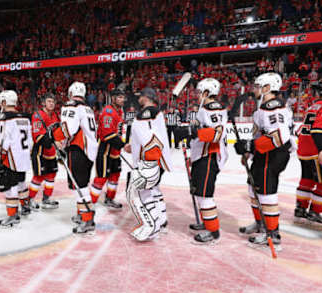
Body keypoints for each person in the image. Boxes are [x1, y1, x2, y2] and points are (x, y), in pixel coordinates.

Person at [234, 73, 293, 247]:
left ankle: (272, 233)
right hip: (263, 153)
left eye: (258, 86)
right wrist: (249, 153)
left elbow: (280, 136)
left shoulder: (273, 107)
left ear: (267, 88)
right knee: (254, 190)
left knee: (267, 194)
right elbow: (259, 134)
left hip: (273, 155)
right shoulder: (263, 108)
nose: (254, 89)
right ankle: (261, 224)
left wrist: (250, 146)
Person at [124, 87, 173, 241]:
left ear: (146, 97)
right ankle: (161, 220)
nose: (138, 98)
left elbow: (152, 140)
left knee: (142, 192)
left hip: (150, 160)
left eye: (141, 96)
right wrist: (134, 147)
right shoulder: (155, 112)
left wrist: (148, 164)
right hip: (157, 159)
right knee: (154, 190)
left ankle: (151, 226)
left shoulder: (147, 113)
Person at [184, 78, 228, 243]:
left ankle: (213, 231)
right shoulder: (205, 109)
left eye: (199, 92)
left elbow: (217, 134)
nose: (197, 95)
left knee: (205, 194)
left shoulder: (212, 109)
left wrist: (195, 132)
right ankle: (206, 222)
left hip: (209, 156)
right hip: (202, 155)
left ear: (207, 93)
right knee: (200, 192)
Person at [52, 81, 98, 234]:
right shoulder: (88, 108)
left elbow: (68, 128)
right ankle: (85, 214)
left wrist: (54, 134)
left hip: (79, 150)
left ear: (71, 93)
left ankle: (87, 220)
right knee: (82, 184)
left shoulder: (72, 105)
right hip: (89, 151)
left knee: (80, 187)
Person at [295, 81, 322, 225]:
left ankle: (300, 208)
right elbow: (320, 129)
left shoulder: (314, 106)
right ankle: (315, 212)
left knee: (307, 179)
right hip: (316, 149)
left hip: (304, 149)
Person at [0, 90, 32, 226]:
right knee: (21, 182)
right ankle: (25, 205)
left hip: (11, 157)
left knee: (10, 186)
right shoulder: (25, 117)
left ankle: (13, 215)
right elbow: (30, 140)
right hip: (24, 156)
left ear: (4, 102)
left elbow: (2, 140)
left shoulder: (3, 117)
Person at [90, 89, 126, 209]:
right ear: (113, 98)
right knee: (101, 177)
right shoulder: (108, 112)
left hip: (115, 151)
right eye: (119, 97)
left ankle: (109, 198)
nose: (122, 100)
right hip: (105, 151)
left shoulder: (120, 111)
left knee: (115, 176)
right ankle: (89, 205)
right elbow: (107, 134)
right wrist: (123, 145)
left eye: (123, 97)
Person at [28, 93, 60, 210]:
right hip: (40, 152)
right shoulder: (38, 115)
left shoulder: (55, 115)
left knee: (51, 175)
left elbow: (58, 132)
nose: (51, 103)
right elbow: (38, 136)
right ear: (43, 103)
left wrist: (61, 143)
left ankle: (46, 198)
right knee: (39, 176)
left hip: (52, 152)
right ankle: (29, 199)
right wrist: (53, 142)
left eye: (53, 101)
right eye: (49, 101)